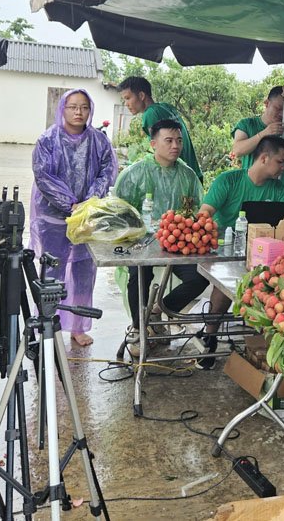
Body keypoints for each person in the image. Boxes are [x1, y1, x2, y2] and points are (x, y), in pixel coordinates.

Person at [112, 119, 209, 358]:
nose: (175, 145)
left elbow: (195, 210)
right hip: (142, 241)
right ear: (153, 143)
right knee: (139, 275)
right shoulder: (136, 173)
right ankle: (138, 327)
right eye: (169, 140)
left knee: (200, 278)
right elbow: (119, 210)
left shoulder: (187, 176)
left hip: (177, 243)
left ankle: (158, 311)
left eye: (178, 140)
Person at [30, 89, 118, 346]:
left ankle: (78, 327)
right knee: (52, 272)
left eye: (84, 107)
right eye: (73, 107)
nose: (79, 112)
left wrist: (88, 203)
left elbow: (107, 171)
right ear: (63, 109)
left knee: (83, 272)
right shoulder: (47, 139)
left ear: (90, 111)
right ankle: (46, 324)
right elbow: (44, 176)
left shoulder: (99, 141)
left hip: (87, 218)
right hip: (54, 218)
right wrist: (70, 204)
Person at [195, 136, 284, 369]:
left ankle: (264, 347)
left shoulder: (279, 190)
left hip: (265, 254)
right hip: (225, 251)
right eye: (280, 161)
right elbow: (204, 212)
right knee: (223, 286)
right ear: (264, 158)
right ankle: (210, 336)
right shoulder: (229, 181)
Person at [118, 76, 203, 183]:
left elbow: (159, 153)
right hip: (193, 173)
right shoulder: (167, 107)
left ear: (141, 95)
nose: (126, 104)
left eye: (127, 98)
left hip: (179, 178)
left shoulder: (150, 114)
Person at [231, 85, 284, 193]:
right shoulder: (247, 124)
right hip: (250, 192)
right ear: (267, 103)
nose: (281, 114)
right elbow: (237, 150)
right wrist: (264, 133)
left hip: (280, 194)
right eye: (278, 108)